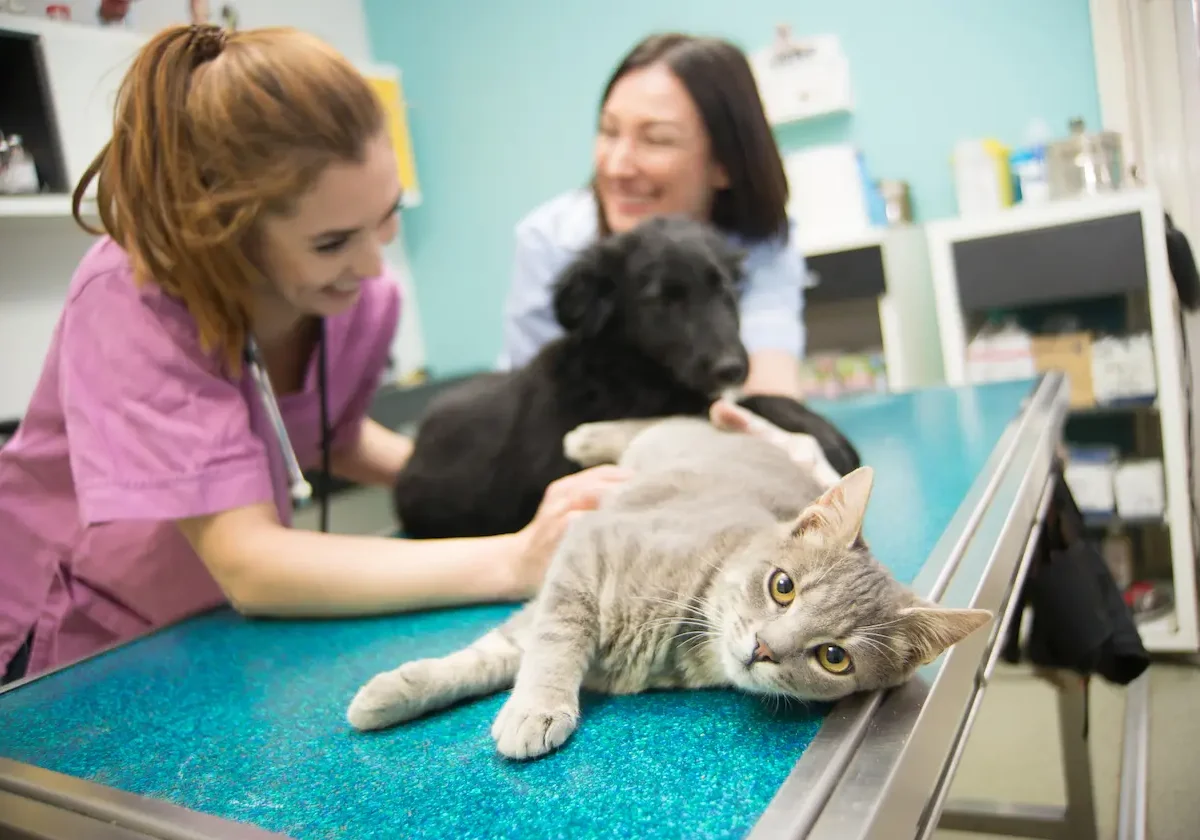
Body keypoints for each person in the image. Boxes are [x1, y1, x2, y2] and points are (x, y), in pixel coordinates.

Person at [0, 24, 627, 685]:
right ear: (223, 230)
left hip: (212, 633)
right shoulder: (134, 296)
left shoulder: (356, 301)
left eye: (385, 215)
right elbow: (249, 564)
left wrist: (502, 489)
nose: (370, 264)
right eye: (331, 243)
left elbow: (330, 436)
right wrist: (517, 558)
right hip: (72, 638)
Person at [500, 32, 806, 396]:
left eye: (656, 139)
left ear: (724, 164)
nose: (617, 167)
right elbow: (536, 401)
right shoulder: (550, 239)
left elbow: (767, 386)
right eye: (609, 131)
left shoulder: (755, 240)